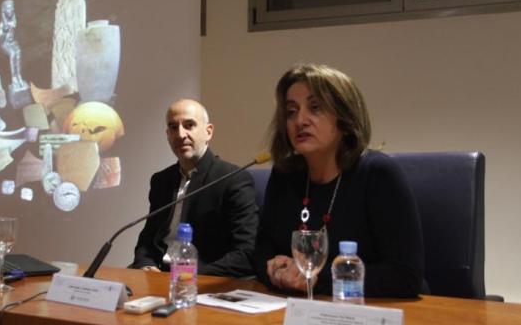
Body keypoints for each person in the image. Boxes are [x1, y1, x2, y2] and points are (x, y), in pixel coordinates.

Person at [253, 64, 424, 297]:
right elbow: (261, 251)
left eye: (315, 108)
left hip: (369, 311)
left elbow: (405, 276)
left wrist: (313, 279)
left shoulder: (378, 174)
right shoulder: (285, 174)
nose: (300, 120)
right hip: (294, 307)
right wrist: (276, 271)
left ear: (344, 118)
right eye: (291, 111)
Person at [130, 99, 259, 277]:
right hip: (159, 275)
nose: (180, 134)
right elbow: (147, 240)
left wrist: (187, 275)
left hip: (202, 279)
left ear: (208, 132)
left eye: (189, 125)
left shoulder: (233, 179)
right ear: (167, 135)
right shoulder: (161, 180)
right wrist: (146, 265)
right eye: (173, 127)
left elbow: (246, 252)